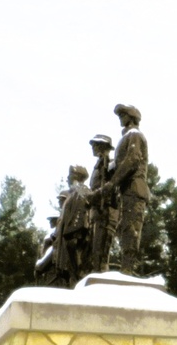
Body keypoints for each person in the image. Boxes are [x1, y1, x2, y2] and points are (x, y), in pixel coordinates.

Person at [93, 104, 149, 275]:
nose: (120, 118)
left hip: (134, 188)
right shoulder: (126, 137)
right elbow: (120, 163)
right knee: (125, 228)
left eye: (123, 114)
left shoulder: (134, 135)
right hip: (126, 190)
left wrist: (112, 183)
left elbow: (131, 160)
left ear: (131, 117)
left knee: (130, 229)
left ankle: (128, 269)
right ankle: (126, 268)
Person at [54, 165, 92, 286]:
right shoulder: (72, 193)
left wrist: (75, 232)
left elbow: (81, 214)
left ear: (75, 177)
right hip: (70, 237)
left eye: (69, 176)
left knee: (77, 272)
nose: (67, 179)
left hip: (75, 236)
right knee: (71, 272)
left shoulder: (81, 190)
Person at [87, 134, 118, 273]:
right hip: (97, 212)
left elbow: (113, 185)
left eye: (95, 145)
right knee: (95, 251)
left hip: (106, 210)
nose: (93, 148)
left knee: (102, 251)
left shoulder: (110, 163)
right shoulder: (98, 165)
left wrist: (99, 195)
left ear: (103, 146)